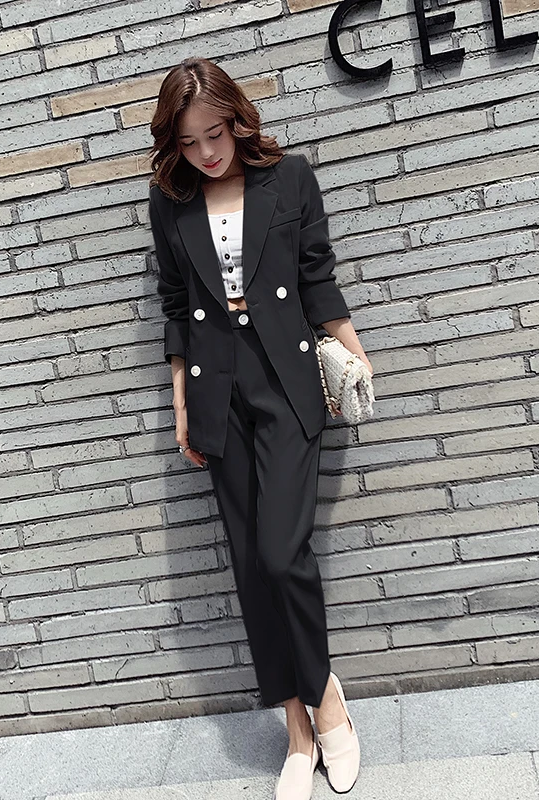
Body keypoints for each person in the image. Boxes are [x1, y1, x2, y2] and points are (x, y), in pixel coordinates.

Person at [147, 56, 374, 800]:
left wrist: (355, 354)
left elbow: (317, 276)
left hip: (285, 377)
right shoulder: (170, 203)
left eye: (215, 134)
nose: (206, 152)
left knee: (281, 554)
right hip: (216, 387)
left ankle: (328, 702)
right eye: (189, 142)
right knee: (250, 565)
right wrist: (183, 404)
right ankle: (299, 732)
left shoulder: (290, 179)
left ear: (237, 120)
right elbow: (176, 306)